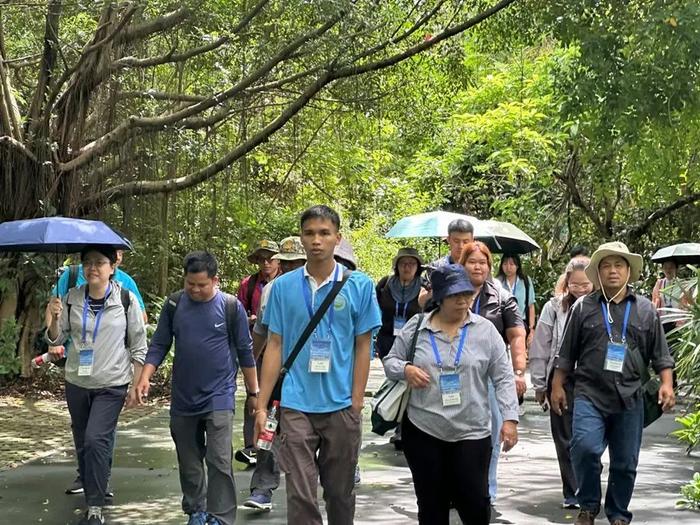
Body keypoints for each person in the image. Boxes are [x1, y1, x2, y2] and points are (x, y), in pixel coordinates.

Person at [255, 205, 382, 525]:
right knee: (300, 492)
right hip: (296, 403)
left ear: (337, 239)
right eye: (309, 233)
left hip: (340, 404)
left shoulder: (360, 286)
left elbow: (363, 345)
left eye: (324, 233)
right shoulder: (282, 288)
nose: (316, 240)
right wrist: (260, 404)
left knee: (339, 493)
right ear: (302, 237)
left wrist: (356, 400)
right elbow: (275, 345)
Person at [383, 264, 519, 524]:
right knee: (431, 506)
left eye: (467, 294)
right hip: (424, 430)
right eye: (455, 295)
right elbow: (391, 362)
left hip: (472, 432)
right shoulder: (417, 326)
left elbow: (503, 377)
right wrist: (406, 369)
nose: (463, 301)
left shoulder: (485, 330)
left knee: (475, 505)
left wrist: (510, 420)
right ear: (440, 298)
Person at [551, 242, 675, 525]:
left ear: (629, 272)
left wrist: (667, 384)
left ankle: (618, 514)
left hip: (630, 396)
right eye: (606, 266)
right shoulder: (583, 307)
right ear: (598, 273)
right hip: (589, 393)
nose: (613, 271)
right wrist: (557, 386)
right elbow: (567, 353)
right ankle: (588, 506)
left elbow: (661, 355)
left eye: (618, 265)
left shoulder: (644, 309)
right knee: (584, 448)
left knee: (625, 462)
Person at [134, 251, 259, 525]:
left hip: (219, 395)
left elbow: (244, 351)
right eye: (190, 284)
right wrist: (144, 377)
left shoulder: (230, 307)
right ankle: (196, 510)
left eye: (201, 285)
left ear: (215, 280)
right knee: (189, 462)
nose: (195, 289)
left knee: (218, 460)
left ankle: (221, 516)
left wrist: (254, 393)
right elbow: (159, 344)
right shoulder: (174, 304)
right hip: (183, 397)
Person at [45, 245, 147, 525]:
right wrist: (54, 321)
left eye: (100, 262)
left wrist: (137, 383)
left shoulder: (126, 300)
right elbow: (55, 340)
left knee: (96, 439)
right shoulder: (70, 298)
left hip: (112, 383)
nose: (93, 268)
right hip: (77, 381)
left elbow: (139, 344)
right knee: (82, 441)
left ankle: (95, 507)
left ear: (112, 267)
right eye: (88, 262)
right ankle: (93, 493)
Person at [459, 241, 526, 505]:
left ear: (489, 267)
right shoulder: (449, 293)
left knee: (491, 435)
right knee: (457, 434)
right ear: (462, 264)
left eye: (483, 262)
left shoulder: (501, 296)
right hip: (454, 375)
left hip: (489, 377)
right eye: (472, 261)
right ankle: (460, 487)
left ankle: (487, 490)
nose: (478, 266)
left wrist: (519, 371)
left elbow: (517, 335)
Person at [243, 236, 306, 512]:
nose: (292, 268)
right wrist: (250, 371)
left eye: (298, 263)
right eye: (288, 264)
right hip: (280, 373)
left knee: (326, 430)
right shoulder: (273, 290)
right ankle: (262, 489)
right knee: (269, 429)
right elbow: (261, 335)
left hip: (316, 376)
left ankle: (344, 468)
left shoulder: (328, 287)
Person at [530, 258, 593, 509]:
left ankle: (588, 486)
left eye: (586, 284)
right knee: (565, 438)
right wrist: (538, 384)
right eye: (575, 285)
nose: (580, 289)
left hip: (593, 381)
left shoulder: (602, 306)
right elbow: (541, 346)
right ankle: (572, 491)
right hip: (561, 380)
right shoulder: (553, 308)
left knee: (589, 439)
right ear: (567, 282)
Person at [375, 247, 426, 450]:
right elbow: (374, 310)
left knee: (409, 384)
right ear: (396, 266)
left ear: (418, 267)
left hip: (414, 342)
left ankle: (406, 429)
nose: (407, 267)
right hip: (388, 341)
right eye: (403, 263)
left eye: (412, 264)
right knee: (396, 383)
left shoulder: (424, 287)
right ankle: (397, 422)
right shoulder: (385, 284)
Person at [236, 239, 280, 465]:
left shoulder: (285, 284)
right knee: (254, 396)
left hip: (280, 347)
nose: (266, 263)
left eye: (270, 258)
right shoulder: (249, 285)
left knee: (277, 399)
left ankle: (276, 448)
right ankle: (251, 447)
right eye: (261, 259)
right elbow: (237, 313)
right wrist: (249, 319)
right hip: (255, 344)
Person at [496, 253, 536, 346]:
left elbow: (531, 306)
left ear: (517, 266)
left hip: (520, 323)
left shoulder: (525, 281)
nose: (508, 267)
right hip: (502, 324)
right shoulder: (497, 282)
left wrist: (532, 329)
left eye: (511, 264)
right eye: (505, 264)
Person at [652, 259, 681, 333]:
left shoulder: (682, 284)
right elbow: (654, 302)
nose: (668, 270)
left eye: (671, 267)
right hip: (663, 322)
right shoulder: (659, 283)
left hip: (678, 323)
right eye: (665, 267)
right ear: (662, 269)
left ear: (676, 269)